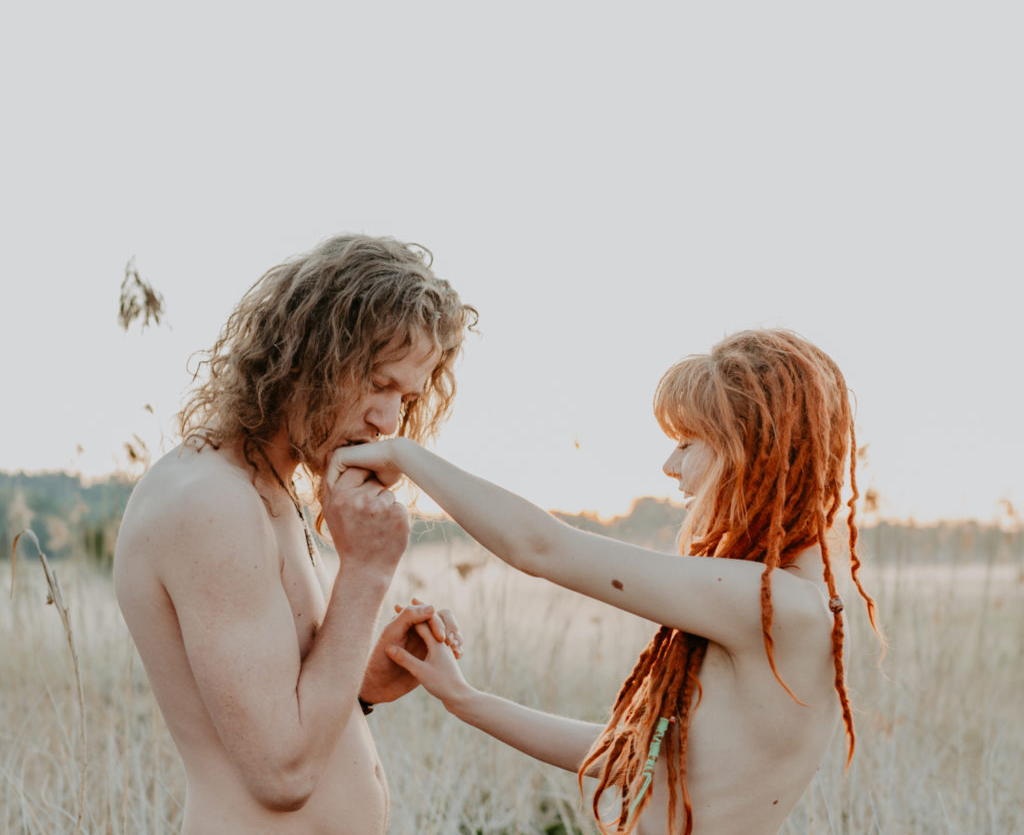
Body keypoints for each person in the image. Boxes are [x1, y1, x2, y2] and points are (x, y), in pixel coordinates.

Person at [333, 329, 881, 835]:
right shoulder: (799, 608)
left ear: (751, 450)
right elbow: (639, 761)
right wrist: (465, 700)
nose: (670, 464)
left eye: (689, 442)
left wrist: (402, 453)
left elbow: (540, 547)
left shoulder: (776, 605)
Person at [113, 234, 477, 835]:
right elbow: (280, 776)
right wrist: (367, 570)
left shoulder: (268, 489)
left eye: (405, 398)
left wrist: (363, 689)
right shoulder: (212, 502)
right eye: (378, 384)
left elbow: (269, 716)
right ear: (311, 355)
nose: (389, 421)